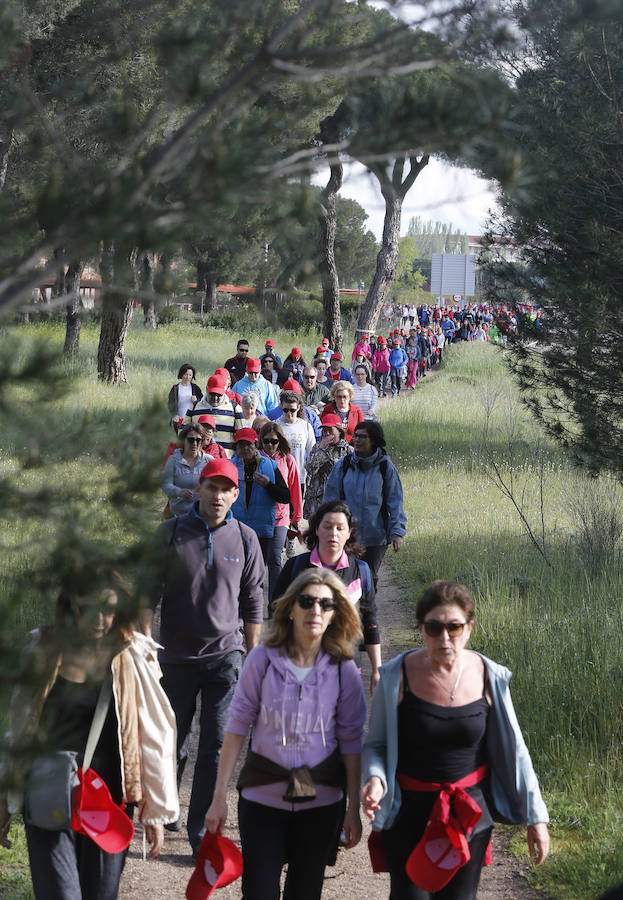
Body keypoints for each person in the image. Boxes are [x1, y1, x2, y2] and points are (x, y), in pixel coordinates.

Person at [360, 580, 550, 899]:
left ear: (469, 627)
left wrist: (536, 817)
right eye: (434, 627)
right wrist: (375, 779)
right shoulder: (396, 676)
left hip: (469, 813)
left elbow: (516, 751)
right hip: (408, 815)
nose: (445, 637)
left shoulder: (490, 675)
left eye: (455, 627)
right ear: (421, 628)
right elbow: (376, 744)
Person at [0, 575, 179, 898]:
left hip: (107, 801)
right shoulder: (43, 651)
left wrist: (155, 808)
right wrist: (5, 799)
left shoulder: (131, 656)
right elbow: (19, 730)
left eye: (108, 610)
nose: (99, 619)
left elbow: (154, 734)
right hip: (48, 793)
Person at [204, 569, 367, 900]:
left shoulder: (344, 669)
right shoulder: (262, 659)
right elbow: (236, 728)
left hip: (321, 803)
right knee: (259, 892)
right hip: (262, 799)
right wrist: (218, 798)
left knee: (305, 892)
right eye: (306, 601)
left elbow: (352, 743)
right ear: (290, 608)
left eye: (326, 604)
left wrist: (353, 810)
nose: (315, 610)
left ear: (335, 614)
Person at [142, 458, 264, 856]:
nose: (217, 496)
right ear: (198, 489)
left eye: (225, 489)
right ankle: (166, 805)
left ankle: (200, 832)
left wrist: (254, 657)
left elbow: (253, 603)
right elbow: (147, 594)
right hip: (174, 658)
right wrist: (146, 648)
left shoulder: (246, 538)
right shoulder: (170, 533)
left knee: (216, 743)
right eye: (211, 487)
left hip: (225, 658)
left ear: (235, 495)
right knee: (172, 740)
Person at [274, 500, 381, 694]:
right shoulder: (295, 567)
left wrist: (376, 670)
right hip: (299, 667)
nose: (333, 533)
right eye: (327, 526)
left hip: (346, 667)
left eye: (340, 528)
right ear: (316, 529)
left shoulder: (362, 572)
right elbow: (277, 616)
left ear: (349, 533)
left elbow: (370, 622)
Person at [323, 420, 406, 589]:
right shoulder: (343, 465)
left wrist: (397, 533)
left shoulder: (385, 467)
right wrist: (326, 530)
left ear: (374, 440)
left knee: (369, 579)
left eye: (362, 437)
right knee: (345, 579)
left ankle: (367, 606)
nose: (357, 440)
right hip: (347, 536)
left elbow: (395, 502)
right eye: (355, 436)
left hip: (376, 537)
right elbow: (330, 501)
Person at [230, 428, 291, 600]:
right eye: (241, 445)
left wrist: (269, 485)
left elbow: (285, 497)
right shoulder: (230, 466)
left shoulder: (270, 466)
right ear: (236, 447)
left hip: (261, 532)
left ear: (256, 445)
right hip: (236, 529)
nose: (245, 448)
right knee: (236, 574)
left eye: (248, 444)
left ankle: (255, 609)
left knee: (256, 575)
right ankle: (236, 610)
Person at [259, 421, 303, 602]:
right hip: (259, 516)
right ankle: (255, 603)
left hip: (280, 516)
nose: (270, 445)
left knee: (275, 559)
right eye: (266, 441)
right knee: (258, 562)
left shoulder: (287, 459)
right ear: (260, 441)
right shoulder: (255, 458)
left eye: (274, 441)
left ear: (280, 441)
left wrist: (297, 516)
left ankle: (275, 604)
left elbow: (294, 488)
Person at [303, 413, 352, 520]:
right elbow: (310, 469)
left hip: (338, 500)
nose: (327, 433)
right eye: (324, 430)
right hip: (316, 501)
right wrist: (322, 450)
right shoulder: (317, 447)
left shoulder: (348, 450)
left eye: (330, 430)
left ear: (339, 431)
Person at [162, 423, 213, 517]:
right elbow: (165, 485)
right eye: (191, 440)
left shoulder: (209, 461)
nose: (194, 443)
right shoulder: (173, 460)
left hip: (202, 515)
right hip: (178, 515)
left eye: (198, 440)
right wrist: (179, 492)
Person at [191, 374, 244, 457]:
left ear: (224, 391)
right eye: (212, 394)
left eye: (218, 394)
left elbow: (241, 437)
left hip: (226, 459)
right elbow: (184, 433)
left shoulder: (235, 408)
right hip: (198, 459)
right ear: (206, 389)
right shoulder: (194, 406)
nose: (215, 398)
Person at [168, 363, 203, 431]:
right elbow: (170, 404)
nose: (187, 377)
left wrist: (196, 401)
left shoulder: (195, 388)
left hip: (192, 421)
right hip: (179, 420)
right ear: (181, 374)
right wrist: (174, 415)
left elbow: (202, 403)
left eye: (190, 375)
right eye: (185, 374)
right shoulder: (175, 388)